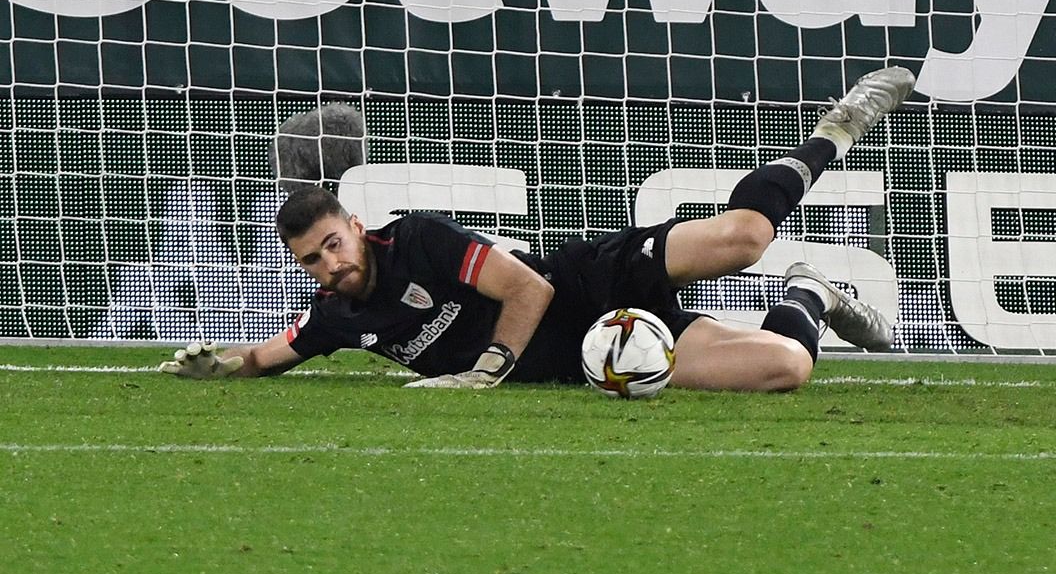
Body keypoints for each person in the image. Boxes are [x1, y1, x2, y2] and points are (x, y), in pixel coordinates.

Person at [160, 66, 915, 392]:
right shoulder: (337, 315)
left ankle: (837, 129)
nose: (329, 266)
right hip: (600, 354)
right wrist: (214, 366)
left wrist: (488, 367)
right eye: (313, 262)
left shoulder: (416, 237)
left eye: (333, 245)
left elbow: (524, 286)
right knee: (787, 368)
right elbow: (268, 354)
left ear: (354, 227)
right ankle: (812, 293)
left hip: (590, 281)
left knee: (743, 237)